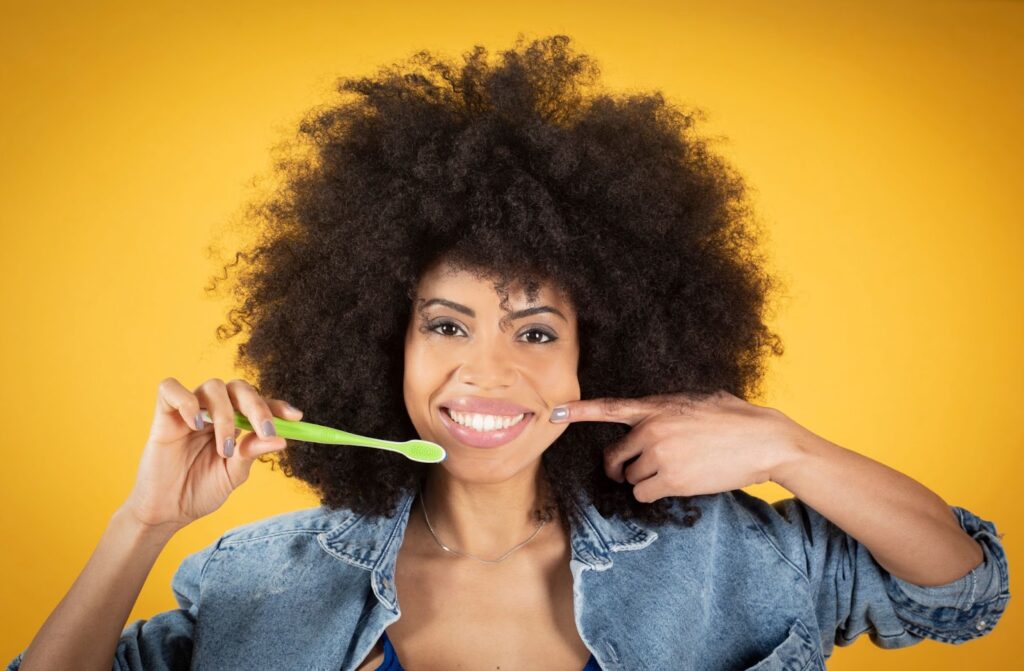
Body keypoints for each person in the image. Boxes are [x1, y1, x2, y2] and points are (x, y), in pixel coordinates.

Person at [9, 34, 1009, 671]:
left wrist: (789, 448)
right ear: (382, 343)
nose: (486, 371)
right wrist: (142, 521)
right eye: (445, 324)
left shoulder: (725, 554)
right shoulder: (259, 579)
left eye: (536, 331)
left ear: (597, 358)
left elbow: (966, 593)